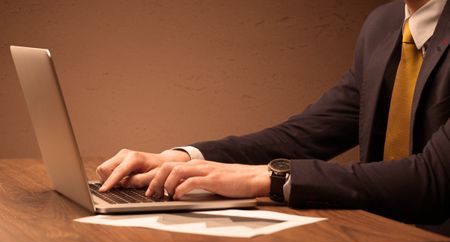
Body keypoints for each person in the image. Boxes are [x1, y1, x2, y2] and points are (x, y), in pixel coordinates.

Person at [96, 0, 450, 226]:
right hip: (381, 235)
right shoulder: (383, 24)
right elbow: (305, 134)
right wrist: (182, 157)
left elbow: (433, 180)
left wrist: (268, 178)